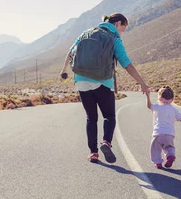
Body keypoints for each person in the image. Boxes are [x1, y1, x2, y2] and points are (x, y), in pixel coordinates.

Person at [60, 13, 149, 163]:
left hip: (81, 81)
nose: (122, 32)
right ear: (118, 23)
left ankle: (93, 153)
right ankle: (106, 142)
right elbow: (126, 63)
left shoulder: (86, 33)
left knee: (91, 118)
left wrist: (63, 71)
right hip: (103, 82)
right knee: (109, 116)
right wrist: (142, 82)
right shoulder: (114, 38)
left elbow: (70, 52)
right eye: (123, 28)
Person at [145, 86, 181, 169]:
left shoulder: (158, 107)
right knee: (169, 147)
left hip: (158, 133)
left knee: (155, 148)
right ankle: (170, 156)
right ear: (172, 99)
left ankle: (158, 163)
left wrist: (148, 96)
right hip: (170, 134)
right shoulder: (174, 109)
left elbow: (149, 106)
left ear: (160, 98)